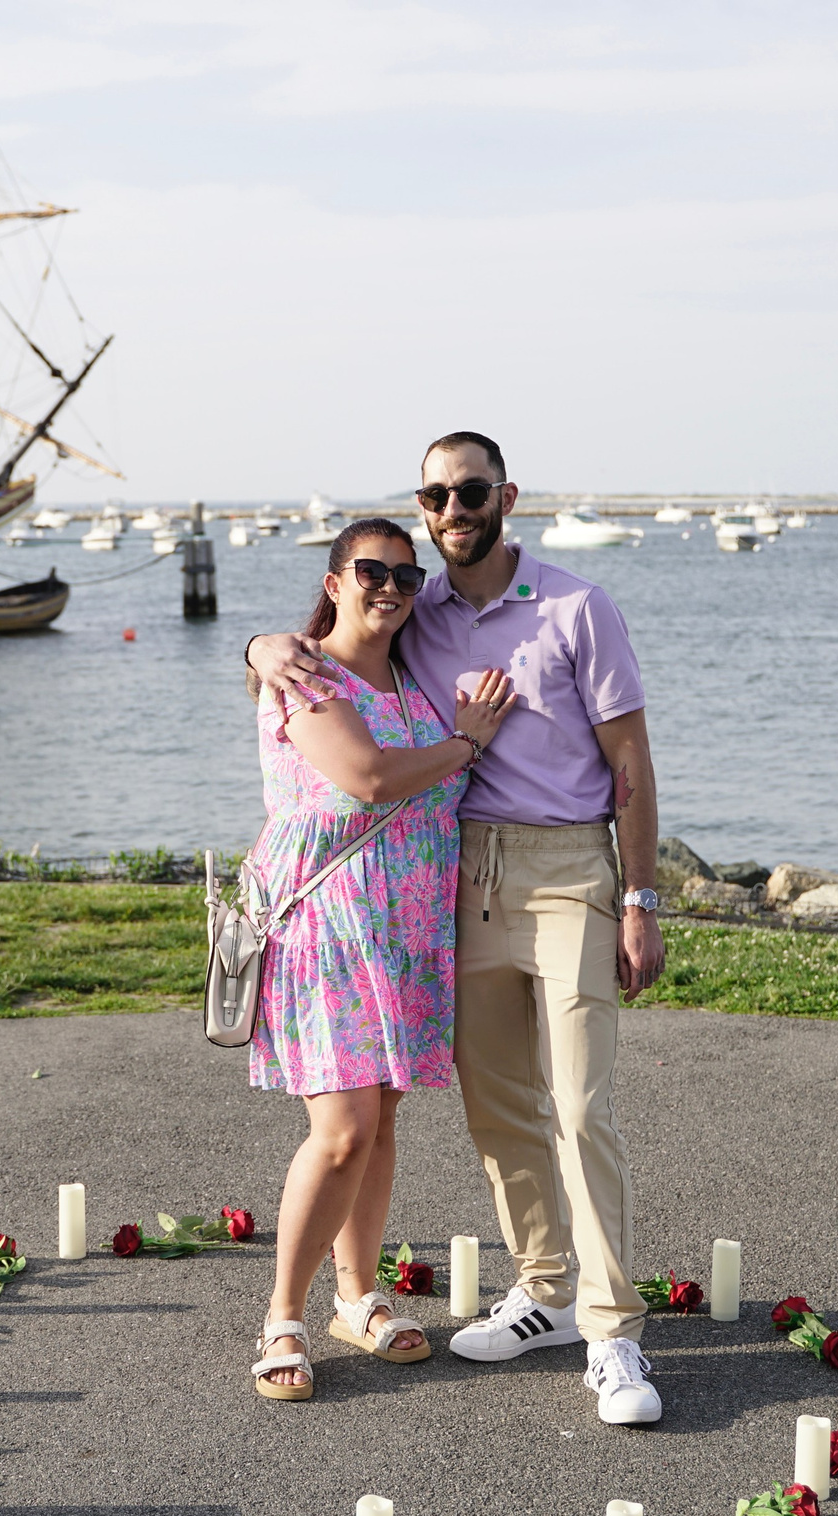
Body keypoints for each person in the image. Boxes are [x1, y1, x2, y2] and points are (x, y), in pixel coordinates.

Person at [248, 432, 669, 1426]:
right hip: (428, 893)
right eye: (433, 496)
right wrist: (261, 645)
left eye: (468, 490)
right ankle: (541, 1288)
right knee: (487, 1108)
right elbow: (341, 731)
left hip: (553, 871)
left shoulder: (572, 606)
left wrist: (641, 897)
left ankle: (609, 1332)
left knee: (575, 1103)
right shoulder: (393, 630)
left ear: (504, 496)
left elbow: (632, 762)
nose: (448, 512)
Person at [244, 517, 519, 1403]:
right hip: (329, 924)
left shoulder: (415, 679)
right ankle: (283, 1314)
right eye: (371, 570)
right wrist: (469, 742)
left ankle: (356, 1296)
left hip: (407, 926)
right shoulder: (302, 674)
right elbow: (365, 778)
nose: (390, 586)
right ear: (334, 581)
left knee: (382, 1119)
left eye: (406, 573)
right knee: (343, 1128)